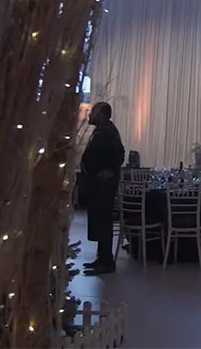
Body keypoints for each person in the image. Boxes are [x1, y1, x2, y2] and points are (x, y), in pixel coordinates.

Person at [80, 102, 125, 275]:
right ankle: (101, 258)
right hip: (97, 184)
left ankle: (106, 261)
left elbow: (119, 154)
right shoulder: (101, 130)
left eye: (93, 112)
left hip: (104, 185)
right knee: (99, 221)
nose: (90, 115)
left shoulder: (108, 131)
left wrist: (109, 171)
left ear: (102, 114)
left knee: (104, 221)